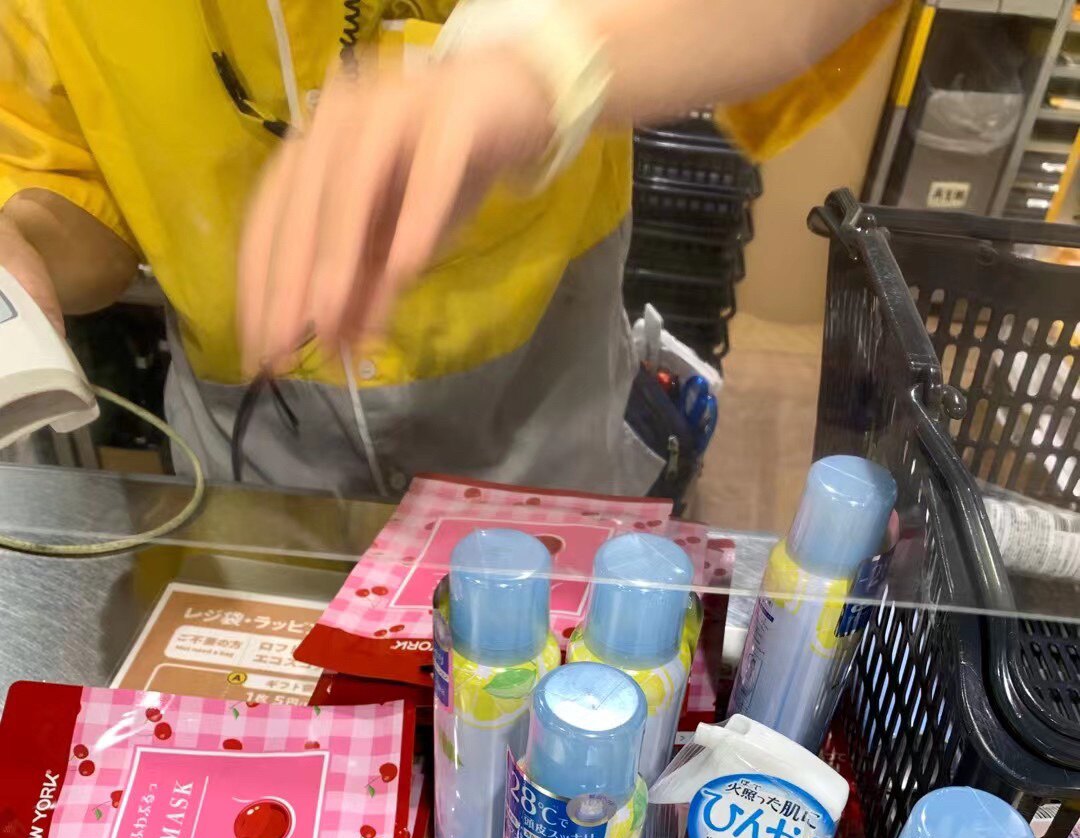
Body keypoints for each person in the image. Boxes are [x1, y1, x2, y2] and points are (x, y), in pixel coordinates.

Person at [0, 0, 897, 496]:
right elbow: (63, 184)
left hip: (544, 427)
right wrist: (19, 242)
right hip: (252, 471)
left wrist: (544, 68)